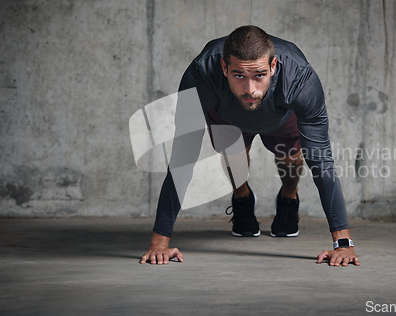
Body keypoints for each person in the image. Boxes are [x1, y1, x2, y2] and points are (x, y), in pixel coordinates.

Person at [140, 25, 360, 267]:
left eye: (259, 75)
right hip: (226, 115)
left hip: (279, 115)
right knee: (234, 159)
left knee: (291, 160)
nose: (250, 89)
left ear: (273, 66)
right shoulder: (200, 75)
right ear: (224, 67)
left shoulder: (300, 79)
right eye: (239, 76)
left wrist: (343, 244)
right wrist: (159, 243)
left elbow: (321, 160)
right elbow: (183, 158)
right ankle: (242, 198)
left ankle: (288, 197)